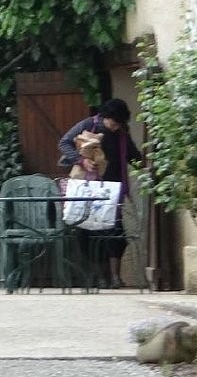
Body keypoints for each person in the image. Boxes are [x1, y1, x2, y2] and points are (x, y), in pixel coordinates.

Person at [58, 99, 144, 287]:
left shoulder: (121, 134)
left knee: (116, 232)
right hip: (89, 187)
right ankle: (100, 276)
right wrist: (81, 160)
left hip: (112, 189)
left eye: (119, 124)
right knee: (86, 232)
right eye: (113, 123)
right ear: (105, 117)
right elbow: (64, 143)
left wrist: (144, 163)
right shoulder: (88, 125)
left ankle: (115, 277)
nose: (115, 128)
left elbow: (133, 155)